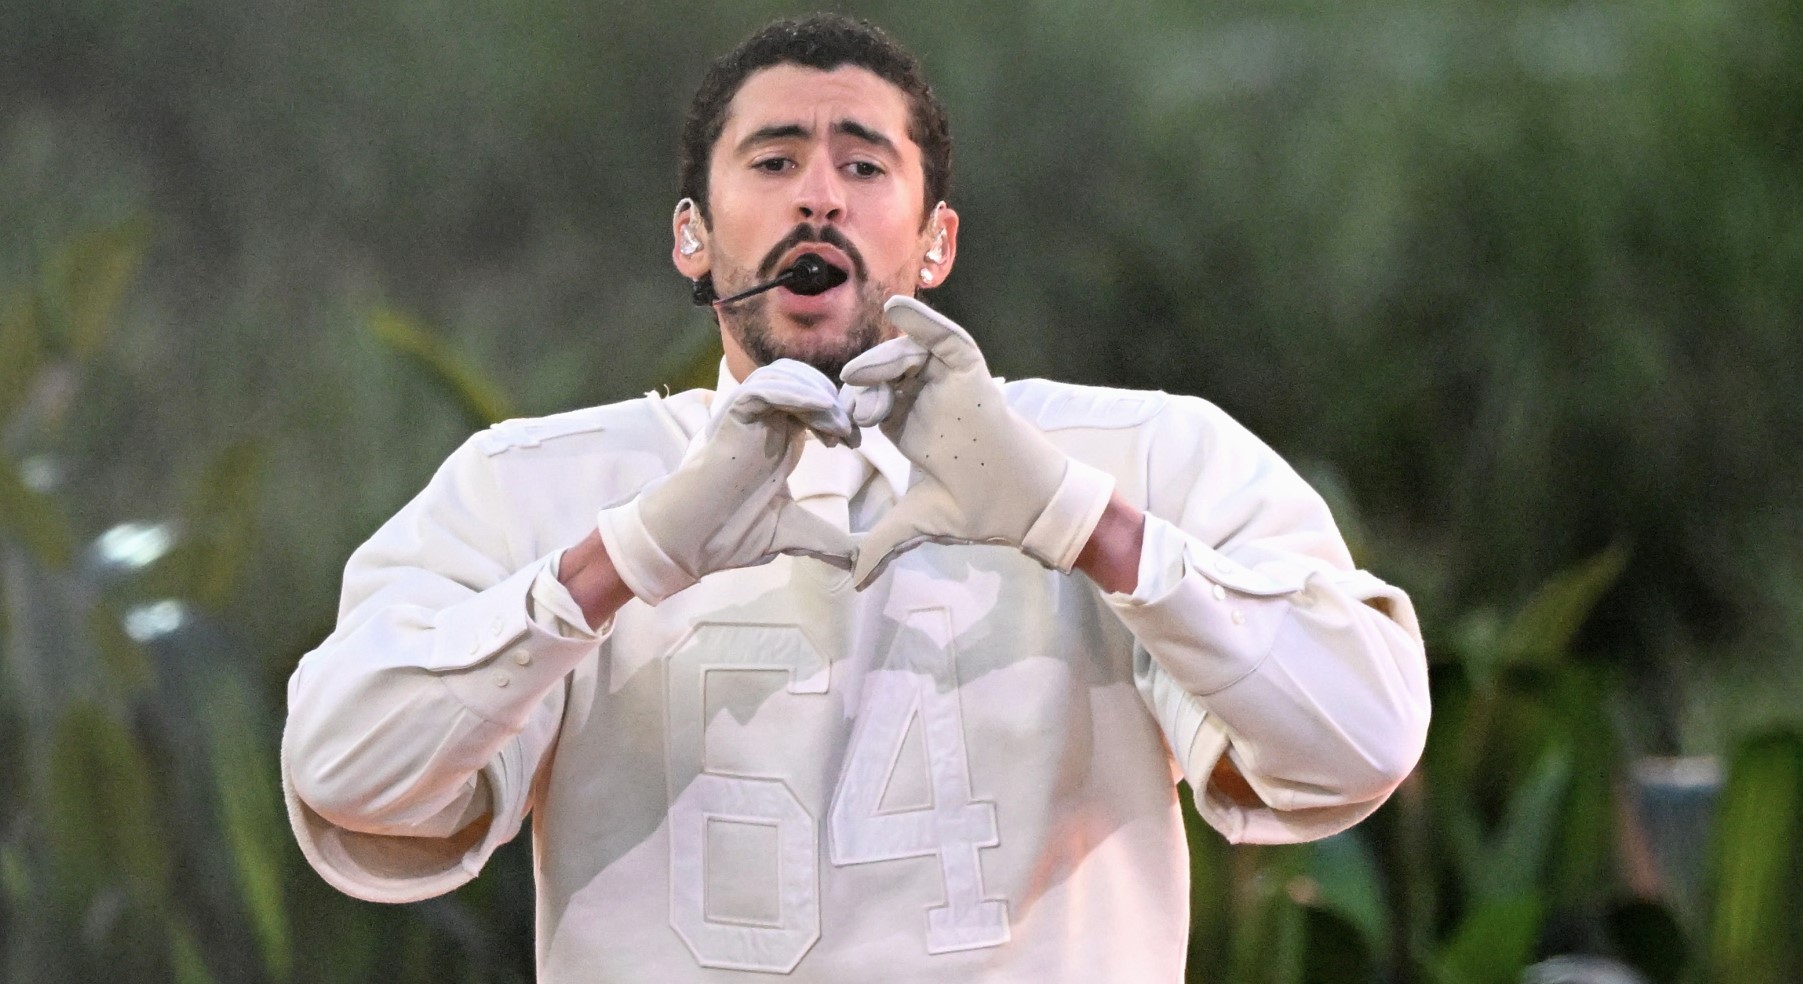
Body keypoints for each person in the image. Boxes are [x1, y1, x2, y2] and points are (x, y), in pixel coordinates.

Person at [282, 14, 1430, 982]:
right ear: (692, 237)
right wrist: (622, 560)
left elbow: (1363, 739)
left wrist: (1080, 522)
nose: (820, 197)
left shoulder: (1147, 454)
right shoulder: (534, 483)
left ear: (936, 243)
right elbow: (346, 776)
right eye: (774, 161)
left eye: (866, 166)